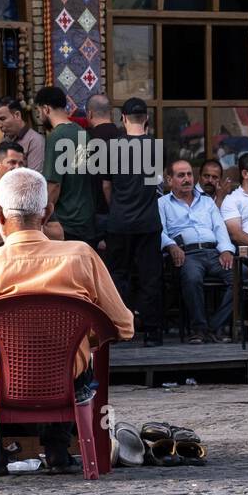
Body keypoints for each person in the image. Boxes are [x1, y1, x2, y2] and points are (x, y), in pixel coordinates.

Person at [0, 168, 135, 475]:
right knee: (78, 357)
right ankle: (57, 447)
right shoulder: (81, 256)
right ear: (48, 212)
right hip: (68, 380)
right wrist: (81, 339)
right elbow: (123, 326)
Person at [103, 97, 164, 346]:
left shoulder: (111, 147)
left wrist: (116, 207)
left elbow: (106, 186)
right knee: (151, 276)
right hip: (148, 222)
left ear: (123, 118)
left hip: (119, 223)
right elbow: (156, 184)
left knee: (119, 275)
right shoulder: (155, 147)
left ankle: (120, 329)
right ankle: (152, 332)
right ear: (146, 119)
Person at [159, 159, 234, 344]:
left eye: (189, 175)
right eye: (181, 175)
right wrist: (171, 245)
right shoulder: (162, 203)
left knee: (243, 276)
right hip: (187, 254)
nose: (187, 179)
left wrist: (226, 250)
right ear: (170, 180)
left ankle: (213, 326)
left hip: (213, 253)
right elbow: (159, 230)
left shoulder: (207, 202)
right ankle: (199, 329)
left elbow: (219, 228)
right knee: (192, 278)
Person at [38, 85, 97, 245]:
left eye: (38, 111)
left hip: (66, 221)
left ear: (45, 109)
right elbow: (81, 172)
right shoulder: (83, 133)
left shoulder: (56, 137)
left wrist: (41, 218)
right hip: (85, 217)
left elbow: (54, 185)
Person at [85, 93, 120, 240]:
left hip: (96, 212)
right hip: (123, 213)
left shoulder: (85, 140)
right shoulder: (124, 137)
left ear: (90, 113)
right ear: (110, 113)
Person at [0, 96, 46, 171]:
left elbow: (34, 177)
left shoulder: (35, 141)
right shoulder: (4, 139)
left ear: (17, 115)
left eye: (2, 119)